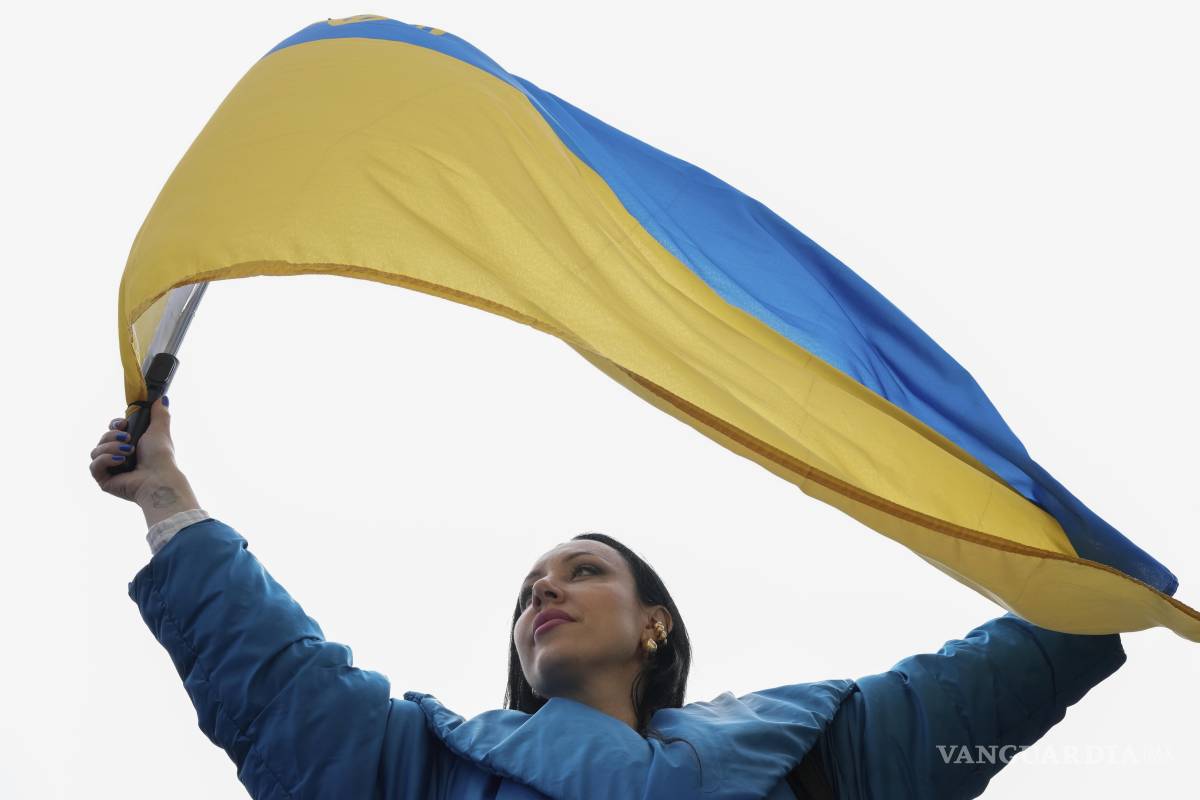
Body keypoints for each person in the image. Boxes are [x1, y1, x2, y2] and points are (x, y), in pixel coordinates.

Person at [90, 397, 1127, 799]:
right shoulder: (423, 764)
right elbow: (280, 682)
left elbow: (980, 700)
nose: (545, 585)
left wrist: (1105, 578)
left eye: (584, 568)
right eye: (529, 584)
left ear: (654, 621)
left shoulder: (818, 749)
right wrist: (167, 498)